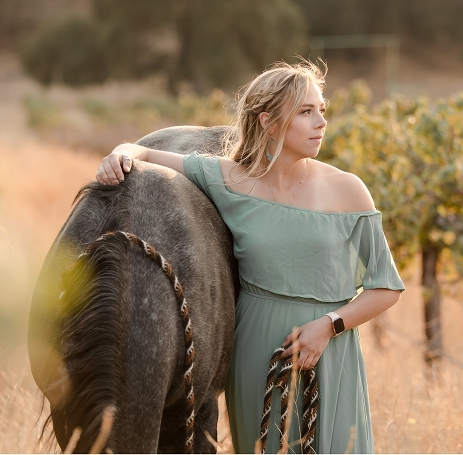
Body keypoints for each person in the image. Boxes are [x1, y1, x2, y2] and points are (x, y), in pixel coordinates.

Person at [95, 60, 405, 453]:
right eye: (306, 112)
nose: (321, 122)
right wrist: (118, 154)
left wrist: (329, 326)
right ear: (268, 122)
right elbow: (143, 152)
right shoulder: (230, 180)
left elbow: (386, 287)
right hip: (258, 353)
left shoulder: (348, 190)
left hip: (331, 349)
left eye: (321, 110)